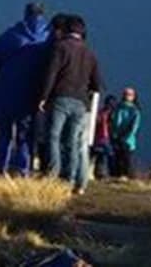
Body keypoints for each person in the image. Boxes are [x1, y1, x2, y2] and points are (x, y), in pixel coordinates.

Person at [37, 15, 103, 194]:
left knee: (53, 137)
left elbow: (51, 73)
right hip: (81, 102)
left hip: (60, 97)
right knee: (72, 142)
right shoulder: (90, 53)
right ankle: (70, 179)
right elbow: (97, 84)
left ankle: (53, 174)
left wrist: (43, 97)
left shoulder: (61, 48)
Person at [0, 3, 51, 176]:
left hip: (6, 89)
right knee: (26, 134)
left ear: (26, 14)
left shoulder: (14, 33)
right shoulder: (48, 36)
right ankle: (22, 169)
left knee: (3, 132)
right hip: (32, 92)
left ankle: (0, 168)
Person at [110, 87, 142, 179]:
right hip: (117, 138)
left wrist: (126, 137)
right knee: (117, 159)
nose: (127, 96)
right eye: (126, 94)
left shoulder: (135, 111)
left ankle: (125, 177)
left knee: (126, 160)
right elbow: (113, 123)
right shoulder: (118, 108)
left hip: (127, 140)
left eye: (129, 94)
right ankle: (118, 177)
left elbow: (134, 127)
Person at [91, 95, 117, 180]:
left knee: (100, 156)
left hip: (99, 138)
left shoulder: (100, 112)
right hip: (105, 138)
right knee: (107, 156)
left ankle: (99, 174)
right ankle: (105, 174)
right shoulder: (112, 114)